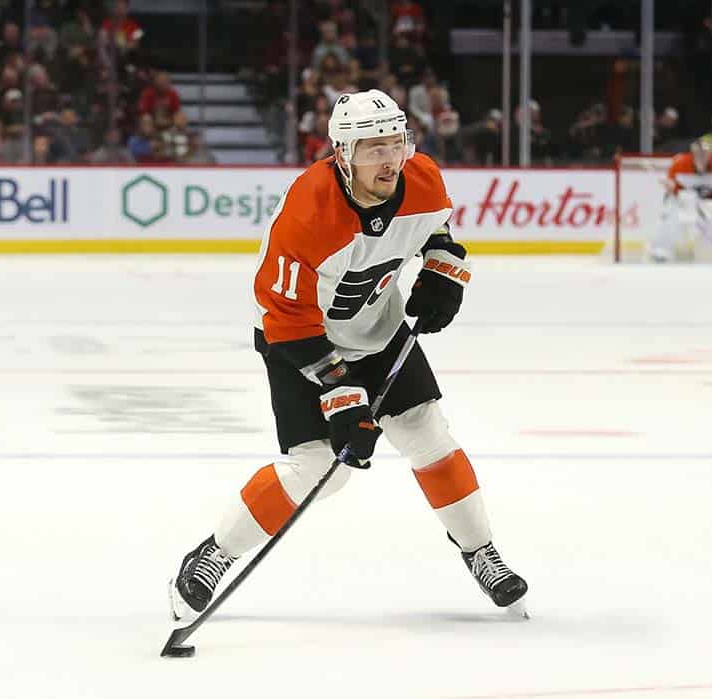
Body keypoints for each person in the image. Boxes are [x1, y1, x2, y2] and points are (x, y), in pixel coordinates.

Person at [169, 89, 529, 621]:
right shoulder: (307, 212)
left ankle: (481, 551)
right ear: (342, 155)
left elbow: (437, 230)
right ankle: (213, 554)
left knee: (428, 434)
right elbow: (285, 319)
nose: (388, 160)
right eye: (371, 148)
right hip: (298, 341)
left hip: (378, 332)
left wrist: (442, 269)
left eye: (395, 143)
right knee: (320, 469)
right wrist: (341, 394)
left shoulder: (422, 177)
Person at [650, 140, 712, 263]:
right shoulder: (679, 164)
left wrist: (710, 204)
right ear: (692, 154)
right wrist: (674, 191)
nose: (702, 157)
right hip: (682, 199)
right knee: (672, 217)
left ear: (709, 154)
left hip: (706, 201)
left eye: (705, 154)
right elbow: (672, 188)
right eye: (698, 154)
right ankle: (660, 251)